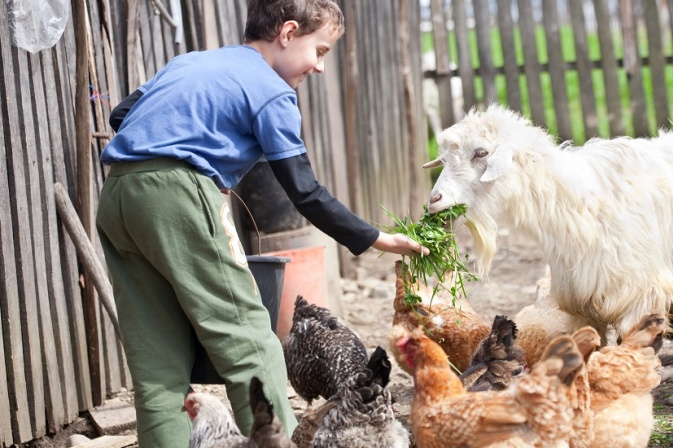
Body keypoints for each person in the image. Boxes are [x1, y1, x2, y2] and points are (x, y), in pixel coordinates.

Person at [95, 0, 428, 446]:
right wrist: (376, 238)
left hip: (118, 194)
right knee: (249, 340)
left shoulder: (191, 62)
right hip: (175, 196)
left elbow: (122, 115)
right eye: (321, 51)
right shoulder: (272, 91)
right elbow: (305, 191)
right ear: (288, 34)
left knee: (156, 357)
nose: (320, 67)